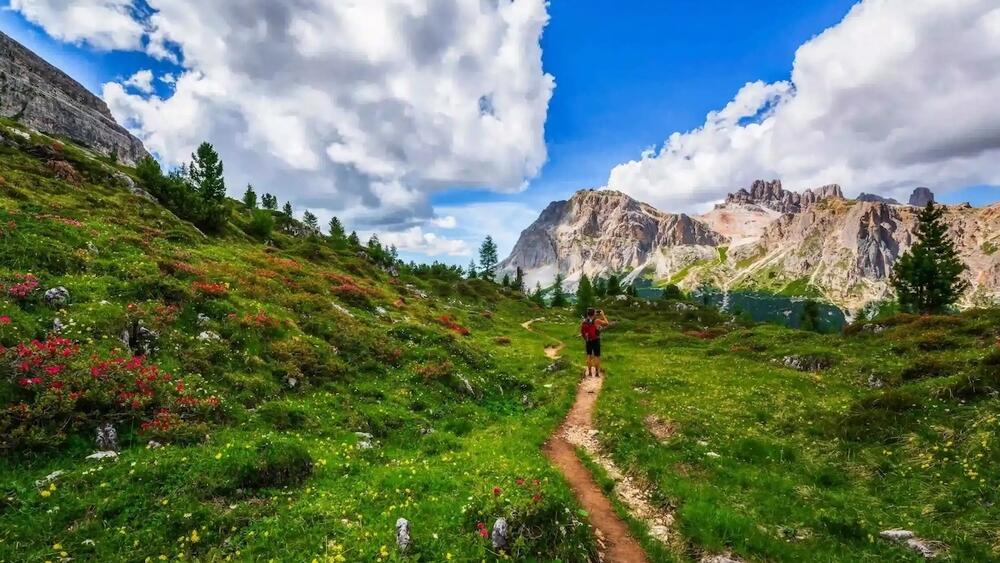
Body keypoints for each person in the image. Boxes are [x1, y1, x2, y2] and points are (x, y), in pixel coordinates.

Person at [580, 308, 609, 377]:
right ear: (594, 313)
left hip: (588, 340)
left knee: (589, 356)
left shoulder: (584, 321)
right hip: (596, 340)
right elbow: (607, 323)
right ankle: (596, 373)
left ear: (587, 314)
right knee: (597, 357)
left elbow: (582, 331)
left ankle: (589, 372)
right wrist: (603, 315)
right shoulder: (597, 321)